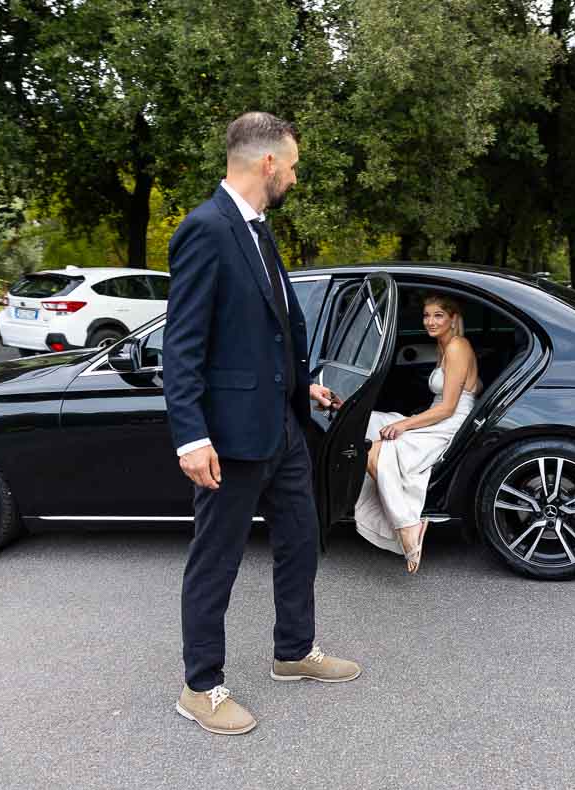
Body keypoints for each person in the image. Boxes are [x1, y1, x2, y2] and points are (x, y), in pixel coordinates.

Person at [163, 111, 360, 737]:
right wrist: (191, 435)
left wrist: (301, 386)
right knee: (216, 560)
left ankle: (293, 651)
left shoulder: (257, 230)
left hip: (282, 427)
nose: (296, 178)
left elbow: (263, 333)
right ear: (268, 162)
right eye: (294, 165)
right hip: (229, 437)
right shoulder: (206, 230)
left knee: (301, 539)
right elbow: (184, 344)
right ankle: (200, 687)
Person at [353, 294, 480, 573]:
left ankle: (408, 524)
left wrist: (404, 425)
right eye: (426, 315)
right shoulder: (444, 346)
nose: (430, 321)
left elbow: (447, 408)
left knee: (373, 451)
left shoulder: (458, 346)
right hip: (436, 418)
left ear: (452, 319)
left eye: (438, 315)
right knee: (365, 421)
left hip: (446, 424)